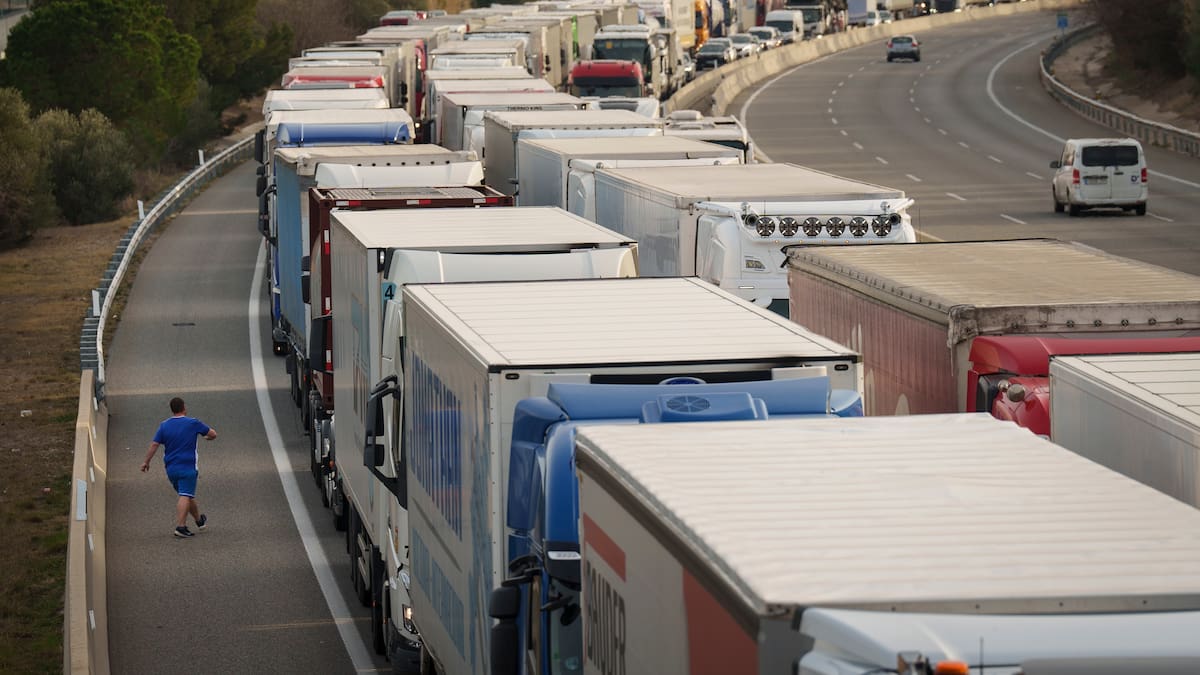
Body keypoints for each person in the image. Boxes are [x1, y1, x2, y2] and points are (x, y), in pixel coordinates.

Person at [141, 397, 217, 538]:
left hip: (171, 469)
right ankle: (180, 527)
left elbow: (154, 444)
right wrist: (207, 438)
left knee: (186, 494)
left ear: (172, 409)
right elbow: (213, 434)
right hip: (188, 466)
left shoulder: (164, 425)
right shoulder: (193, 423)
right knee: (185, 495)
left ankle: (199, 521)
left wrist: (146, 461)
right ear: (184, 407)